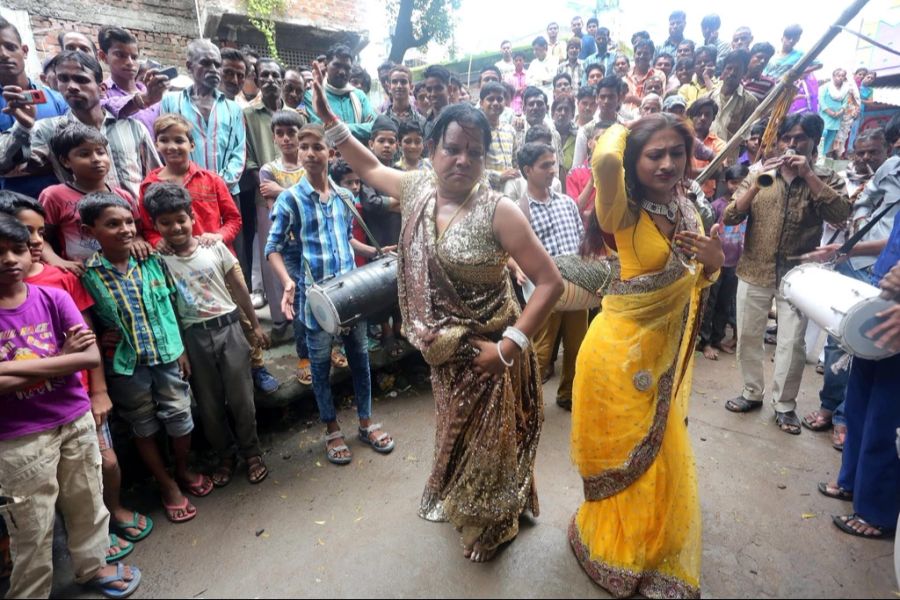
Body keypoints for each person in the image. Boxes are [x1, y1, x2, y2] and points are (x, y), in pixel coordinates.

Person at [317, 64, 563, 560]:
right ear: (431, 151)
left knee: (493, 442)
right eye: (452, 147)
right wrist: (331, 122)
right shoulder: (416, 192)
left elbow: (550, 283)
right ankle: (493, 499)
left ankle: (492, 526)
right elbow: (366, 166)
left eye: (474, 150)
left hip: (492, 351)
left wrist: (510, 346)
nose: (462, 160)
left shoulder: (500, 210)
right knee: (460, 433)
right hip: (446, 354)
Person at [570, 114, 723, 599]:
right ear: (634, 159)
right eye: (654, 154)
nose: (668, 163)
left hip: (662, 355)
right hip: (617, 356)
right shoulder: (621, 211)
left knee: (660, 455)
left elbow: (696, 279)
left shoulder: (687, 207)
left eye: (677, 152)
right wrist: (628, 124)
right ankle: (617, 549)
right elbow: (606, 157)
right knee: (626, 456)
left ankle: (651, 543)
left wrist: (714, 261)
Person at [0, 191, 153, 565]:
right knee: (34, 501)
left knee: (100, 469)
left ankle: (104, 530)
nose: (35, 242)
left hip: (77, 400)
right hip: (20, 424)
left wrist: (97, 388)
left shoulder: (58, 282)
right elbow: (72, 357)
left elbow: (87, 350)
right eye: (26, 234)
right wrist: (61, 360)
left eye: (38, 234)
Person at [265, 123, 394, 466]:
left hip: (352, 294)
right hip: (317, 299)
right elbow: (272, 248)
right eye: (303, 146)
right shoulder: (289, 199)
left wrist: (376, 250)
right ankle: (332, 429)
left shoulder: (344, 197)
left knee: (360, 361)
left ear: (331, 153)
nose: (309, 152)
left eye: (316, 147)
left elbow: (345, 239)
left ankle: (366, 422)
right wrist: (287, 282)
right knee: (320, 368)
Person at [78, 191, 212, 522]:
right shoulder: (87, 275)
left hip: (167, 356)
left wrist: (180, 348)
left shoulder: (152, 261)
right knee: (144, 425)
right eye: (112, 224)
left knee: (180, 417)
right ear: (89, 231)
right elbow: (87, 323)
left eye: (128, 222)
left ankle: (181, 468)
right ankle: (166, 483)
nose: (124, 230)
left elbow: (174, 307)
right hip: (126, 367)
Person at [723, 112, 851, 435]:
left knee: (792, 343)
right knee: (749, 336)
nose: (792, 144)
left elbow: (840, 213)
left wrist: (808, 175)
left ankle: (784, 405)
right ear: (778, 140)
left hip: (799, 275)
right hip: (754, 267)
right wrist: (755, 183)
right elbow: (729, 216)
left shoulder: (826, 178)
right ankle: (751, 392)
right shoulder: (759, 173)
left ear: (813, 143)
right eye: (787, 138)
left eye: (800, 139)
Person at [144, 182, 270, 487]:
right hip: (193, 337)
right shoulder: (159, 261)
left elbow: (239, 286)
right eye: (165, 223)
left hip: (228, 328)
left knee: (242, 398)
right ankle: (224, 455)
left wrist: (254, 325)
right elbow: (167, 308)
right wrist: (181, 352)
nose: (175, 228)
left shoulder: (214, 247)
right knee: (209, 404)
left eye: (180, 219)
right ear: (155, 225)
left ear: (191, 216)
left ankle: (252, 452)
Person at [802, 128, 893, 447]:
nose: (866, 158)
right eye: (861, 152)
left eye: (873, 151)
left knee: (871, 349)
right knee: (838, 342)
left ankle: (846, 418)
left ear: (888, 148)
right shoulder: (868, 176)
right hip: (852, 266)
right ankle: (831, 407)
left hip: (885, 273)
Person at [819, 215, 900, 541]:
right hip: (882, 301)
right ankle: (852, 480)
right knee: (859, 403)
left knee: (886, 415)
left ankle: (877, 510)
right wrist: (853, 250)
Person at [0, 50, 161, 200]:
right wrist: (22, 127)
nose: (71, 87)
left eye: (81, 79)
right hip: (82, 227)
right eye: (63, 79)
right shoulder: (49, 130)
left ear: (101, 88)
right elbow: (5, 169)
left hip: (134, 225)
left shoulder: (133, 128)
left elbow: (155, 178)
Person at [515, 142, 586, 410]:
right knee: (541, 351)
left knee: (578, 346)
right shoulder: (520, 209)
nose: (552, 170)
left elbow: (581, 242)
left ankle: (568, 394)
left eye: (553, 164)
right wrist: (516, 266)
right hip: (545, 290)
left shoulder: (567, 203)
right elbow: (510, 250)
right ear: (527, 170)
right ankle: (525, 401)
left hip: (578, 287)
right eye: (545, 165)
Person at [243, 57, 306, 344]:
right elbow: (259, 173)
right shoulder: (247, 114)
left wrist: (284, 190)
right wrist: (281, 190)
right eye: (264, 75)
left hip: (300, 213)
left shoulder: (296, 115)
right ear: (256, 78)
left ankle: (305, 314)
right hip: (265, 194)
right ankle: (281, 319)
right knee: (274, 258)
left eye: (275, 75)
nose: (270, 80)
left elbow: (311, 189)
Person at [38, 123, 148, 275]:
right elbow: (39, 237)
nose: (96, 159)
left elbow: (137, 231)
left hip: (124, 272)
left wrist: (138, 242)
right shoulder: (54, 196)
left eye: (101, 152)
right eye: (84, 154)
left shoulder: (123, 196)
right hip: (81, 274)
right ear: (65, 161)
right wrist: (56, 260)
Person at [699, 164, 748, 360]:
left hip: (736, 263)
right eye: (733, 182)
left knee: (725, 304)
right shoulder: (717, 206)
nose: (736, 187)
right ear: (726, 183)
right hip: (717, 263)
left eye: (741, 183)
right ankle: (706, 342)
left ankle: (718, 338)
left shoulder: (748, 207)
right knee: (710, 304)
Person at [96, 26, 171, 137]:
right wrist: (147, 99)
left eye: (134, 57)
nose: (130, 62)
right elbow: (105, 113)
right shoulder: (102, 93)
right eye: (120, 55)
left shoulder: (152, 92)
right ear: (103, 56)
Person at [303, 43, 376, 142]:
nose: (342, 72)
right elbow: (321, 132)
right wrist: (359, 127)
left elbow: (374, 128)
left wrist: (336, 127)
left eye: (347, 68)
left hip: (358, 156)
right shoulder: (313, 95)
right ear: (326, 65)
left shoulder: (359, 95)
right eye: (337, 65)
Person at [706, 50, 758, 163]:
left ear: (744, 73)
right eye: (729, 68)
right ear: (723, 70)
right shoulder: (709, 96)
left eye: (737, 70)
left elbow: (747, 135)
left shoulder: (749, 102)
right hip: (705, 155)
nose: (732, 73)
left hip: (728, 159)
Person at [573, 76, 625, 167]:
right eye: (602, 97)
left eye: (611, 97)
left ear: (619, 98)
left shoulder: (625, 127)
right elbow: (577, 168)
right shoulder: (585, 131)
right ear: (597, 98)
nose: (606, 101)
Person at [481, 82, 519, 191]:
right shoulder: (477, 132)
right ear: (481, 103)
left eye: (500, 99)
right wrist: (499, 176)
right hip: (487, 193)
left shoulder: (510, 130)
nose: (496, 103)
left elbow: (515, 163)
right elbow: (474, 169)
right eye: (491, 99)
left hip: (511, 191)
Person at [819, 68, 853, 160]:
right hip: (825, 115)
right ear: (833, 76)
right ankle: (818, 153)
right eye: (838, 76)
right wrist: (828, 111)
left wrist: (840, 112)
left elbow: (846, 102)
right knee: (823, 133)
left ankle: (823, 154)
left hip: (837, 116)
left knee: (832, 134)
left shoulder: (845, 89)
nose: (840, 78)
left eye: (843, 76)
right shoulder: (826, 87)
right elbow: (821, 100)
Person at [384, 65, 425, 131]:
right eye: (394, 82)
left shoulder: (421, 122)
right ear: (389, 88)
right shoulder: (382, 120)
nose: (399, 86)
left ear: (411, 87)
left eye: (403, 82)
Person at [422, 64, 452, 138]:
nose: (433, 94)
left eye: (438, 88)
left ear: (449, 89)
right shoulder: (424, 124)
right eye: (429, 90)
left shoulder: (459, 120)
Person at [553, 95, 577, 182]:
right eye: (559, 109)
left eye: (566, 110)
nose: (562, 113)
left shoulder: (579, 137)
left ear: (573, 114)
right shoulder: (546, 134)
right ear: (552, 113)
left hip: (574, 185)